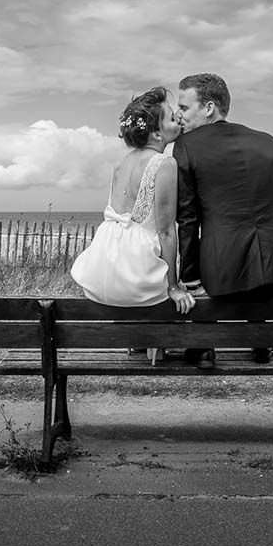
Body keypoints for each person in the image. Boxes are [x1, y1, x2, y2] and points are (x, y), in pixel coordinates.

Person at [172, 73, 273, 368]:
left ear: (209, 107)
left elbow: (188, 218)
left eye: (185, 108)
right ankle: (261, 341)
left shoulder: (186, 146)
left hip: (221, 274)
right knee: (257, 281)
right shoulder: (268, 142)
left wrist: (190, 278)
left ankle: (205, 347)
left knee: (217, 283)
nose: (179, 115)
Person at [70, 87, 196, 363]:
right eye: (172, 119)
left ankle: (143, 341)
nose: (179, 122)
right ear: (157, 133)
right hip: (133, 272)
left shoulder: (121, 163)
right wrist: (173, 286)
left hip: (103, 268)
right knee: (179, 291)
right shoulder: (164, 163)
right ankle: (156, 342)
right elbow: (164, 230)